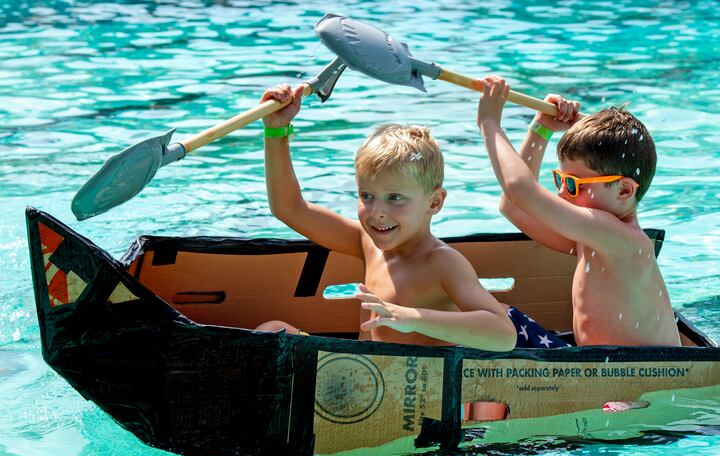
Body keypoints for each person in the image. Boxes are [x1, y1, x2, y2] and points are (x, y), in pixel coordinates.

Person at [254, 83, 516, 352]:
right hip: (359, 372)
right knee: (272, 331)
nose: (377, 211)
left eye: (395, 198)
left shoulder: (442, 262)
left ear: (434, 202)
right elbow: (289, 208)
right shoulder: (367, 242)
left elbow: (504, 335)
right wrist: (276, 131)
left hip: (408, 385)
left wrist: (410, 317)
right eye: (367, 196)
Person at [477, 75, 680, 347]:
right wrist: (540, 130)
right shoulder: (594, 238)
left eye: (574, 184)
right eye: (561, 180)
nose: (562, 193)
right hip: (594, 366)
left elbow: (520, 191)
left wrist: (489, 123)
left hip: (631, 373)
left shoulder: (619, 238)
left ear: (624, 190)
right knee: (493, 315)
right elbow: (513, 206)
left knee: (493, 318)